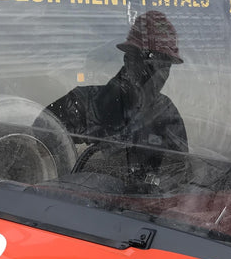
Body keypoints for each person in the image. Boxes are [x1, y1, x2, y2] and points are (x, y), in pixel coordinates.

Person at [46, 10, 188, 156]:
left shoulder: (166, 113)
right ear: (128, 59)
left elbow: (179, 171)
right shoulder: (80, 106)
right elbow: (37, 154)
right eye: (153, 64)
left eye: (166, 66)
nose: (160, 74)